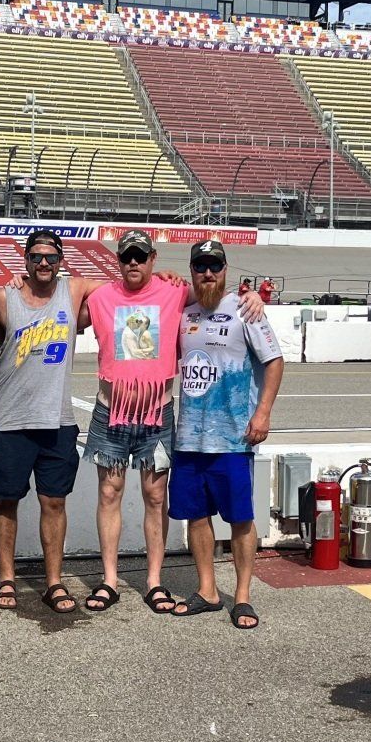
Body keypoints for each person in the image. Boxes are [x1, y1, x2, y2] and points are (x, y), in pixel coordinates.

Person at [83, 231, 266, 614]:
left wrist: (252, 295)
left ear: (152, 258)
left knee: (155, 497)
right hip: (111, 412)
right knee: (109, 494)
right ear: (117, 260)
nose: (133, 262)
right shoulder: (100, 297)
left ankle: (154, 581)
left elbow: (215, 290)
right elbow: (63, 295)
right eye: (126, 256)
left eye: (141, 256)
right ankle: (110, 580)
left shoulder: (175, 292)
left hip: (157, 413)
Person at [167, 238, 284, 630]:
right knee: (196, 516)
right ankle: (208, 591)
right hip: (189, 438)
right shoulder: (183, 313)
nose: (208, 272)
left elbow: (274, 361)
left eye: (215, 265)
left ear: (226, 269)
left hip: (234, 437)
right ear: (192, 271)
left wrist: (263, 412)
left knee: (240, 518)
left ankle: (244, 596)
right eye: (200, 265)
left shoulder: (246, 310)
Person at [0, 230, 83, 615]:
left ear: (61, 261)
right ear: (24, 261)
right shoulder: (3, 298)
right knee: (7, 499)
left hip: (57, 418)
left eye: (51, 257)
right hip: (9, 418)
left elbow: (127, 288)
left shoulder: (73, 292)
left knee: (54, 501)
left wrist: (167, 278)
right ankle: (6, 578)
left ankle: (53, 581)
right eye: (36, 257)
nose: (44, 263)